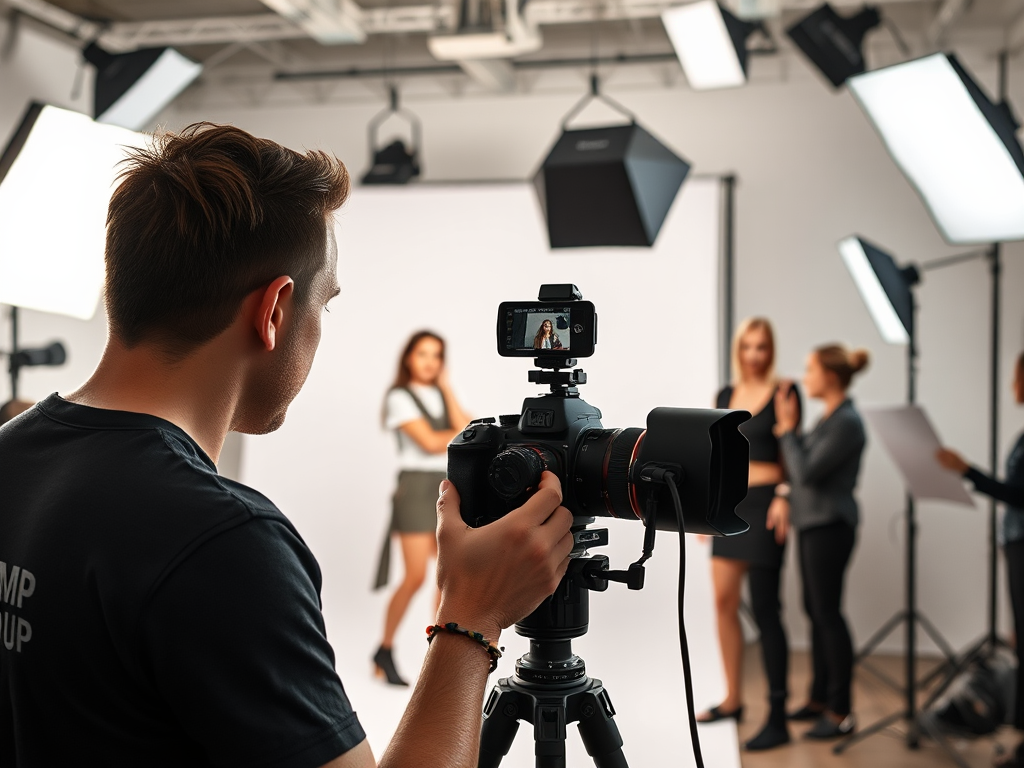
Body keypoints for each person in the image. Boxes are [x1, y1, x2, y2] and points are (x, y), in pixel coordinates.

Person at [0, 123, 574, 767]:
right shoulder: (220, 542)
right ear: (274, 311)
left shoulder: (10, 451)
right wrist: (473, 618)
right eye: (322, 306)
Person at [698, 317, 801, 751]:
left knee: (766, 610)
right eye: (747, 347)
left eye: (761, 347)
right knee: (723, 604)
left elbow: (794, 447)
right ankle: (733, 699)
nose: (754, 354)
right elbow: (716, 457)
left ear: (770, 350)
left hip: (766, 505)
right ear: (738, 350)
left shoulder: (785, 392)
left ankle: (777, 714)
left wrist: (785, 494)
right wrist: (708, 508)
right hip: (731, 506)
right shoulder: (724, 395)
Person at [775, 343, 870, 740]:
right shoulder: (830, 419)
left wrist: (786, 430)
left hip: (830, 527)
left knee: (828, 614)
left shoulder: (846, 422)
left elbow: (806, 472)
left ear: (830, 376)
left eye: (810, 369)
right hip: (814, 525)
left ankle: (840, 711)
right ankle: (818, 699)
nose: (805, 376)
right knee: (815, 611)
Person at [936, 351, 1024, 767]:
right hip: (1015, 543)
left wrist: (967, 470)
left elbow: (1019, 495)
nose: (1012, 385)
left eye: (1017, 376)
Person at [372, 330, 470, 686]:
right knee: (415, 576)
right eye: (422, 354)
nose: (429, 362)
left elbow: (468, 427)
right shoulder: (400, 397)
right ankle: (384, 649)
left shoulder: (440, 394)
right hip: (415, 488)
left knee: (447, 575)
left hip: (445, 488)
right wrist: (463, 432)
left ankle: (439, 654)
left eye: (436, 355)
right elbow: (431, 442)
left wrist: (446, 387)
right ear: (408, 358)